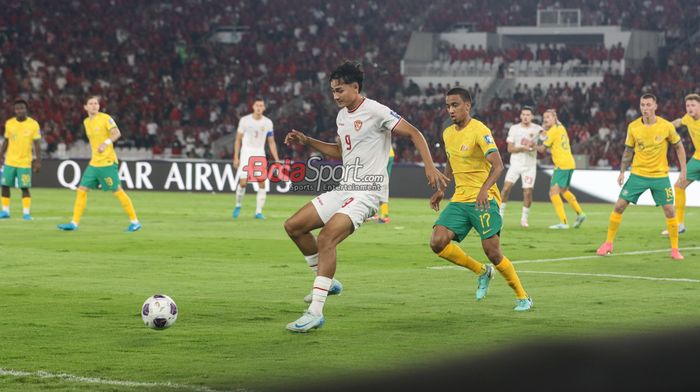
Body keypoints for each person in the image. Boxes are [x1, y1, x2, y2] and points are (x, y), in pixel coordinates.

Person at [282, 61, 448, 332]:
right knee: (294, 226)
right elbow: (340, 152)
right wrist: (307, 141)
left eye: (340, 90)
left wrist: (430, 166)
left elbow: (415, 133)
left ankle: (315, 312)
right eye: (333, 91)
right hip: (345, 187)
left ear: (355, 88)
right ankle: (326, 280)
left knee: (326, 238)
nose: (335, 96)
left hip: (368, 192)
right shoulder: (342, 116)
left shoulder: (376, 110)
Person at [429, 87, 532, 312]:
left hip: (483, 200)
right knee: (437, 241)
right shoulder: (447, 133)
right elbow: (450, 161)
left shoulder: (479, 130)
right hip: (460, 199)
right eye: (447, 106)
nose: (450, 110)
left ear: (467, 105)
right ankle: (482, 272)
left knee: (493, 252)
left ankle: (523, 296)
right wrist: (442, 188)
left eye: (455, 105)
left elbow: (498, 165)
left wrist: (485, 189)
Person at [597, 94, 686, 260]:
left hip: (660, 176)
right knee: (619, 206)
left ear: (655, 106)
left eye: (648, 105)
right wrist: (622, 171)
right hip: (638, 174)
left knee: (669, 210)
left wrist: (683, 171)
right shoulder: (633, 127)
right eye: (642, 105)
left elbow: (679, 147)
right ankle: (608, 243)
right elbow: (628, 151)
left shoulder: (666, 126)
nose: (645, 108)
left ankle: (675, 249)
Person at [57, 96, 141, 232]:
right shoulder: (86, 122)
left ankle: (135, 221)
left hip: (107, 162)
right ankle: (74, 223)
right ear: (85, 107)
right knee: (81, 190)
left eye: (96, 103)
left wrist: (105, 143)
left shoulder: (105, 118)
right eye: (91, 103)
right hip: (94, 163)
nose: (94, 106)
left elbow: (116, 133)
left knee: (117, 191)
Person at [535, 109, 586, 229]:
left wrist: (532, 145)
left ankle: (563, 222)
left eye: (548, 117)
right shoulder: (561, 127)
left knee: (553, 193)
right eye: (544, 117)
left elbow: (542, 149)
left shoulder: (552, 131)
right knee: (563, 191)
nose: (545, 119)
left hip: (561, 165)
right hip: (569, 163)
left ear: (554, 118)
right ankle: (580, 213)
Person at [232, 98, 279, 219]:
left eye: (261, 106)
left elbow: (271, 142)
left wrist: (277, 159)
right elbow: (238, 139)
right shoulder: (245, 121)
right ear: (253, 106)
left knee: (262, 182)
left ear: (264, 108)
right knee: (243, 183)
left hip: (259, 153)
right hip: (246, 153)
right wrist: (236, 157)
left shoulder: (268, 123)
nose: (259, 108)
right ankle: (238, 205)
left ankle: (258, 212)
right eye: (257, 105)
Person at [661, 93, 700, 236]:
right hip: (697, 159)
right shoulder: (688, 118)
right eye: (688, 105)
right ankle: (679, 225)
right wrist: (664, 126)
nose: (690, 108)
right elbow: (678, 122)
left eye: (693, 105)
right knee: (679, 186)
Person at [500, 106, 542, 228]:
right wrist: (523, 148)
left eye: (528, 114)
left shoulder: (537, 129)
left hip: (530, 166)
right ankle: (500, 216)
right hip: (515, 165)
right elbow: (510, 148)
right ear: (520, 116)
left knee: (528, 192)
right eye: (523, 114)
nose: (525, 117)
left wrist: (535, 146)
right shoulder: (514, 129)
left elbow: (544, 147)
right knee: (506, 188)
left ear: (532, 116)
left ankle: (524, 219)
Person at [0, 99, 42, 220]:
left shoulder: (33, 124)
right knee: (5, 185)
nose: (20, 110)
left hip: (25, 162)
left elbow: (37, 145)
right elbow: (6, 141)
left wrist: (38, 161)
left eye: (22, 108)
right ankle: (5, 211)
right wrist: (0, 155)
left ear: (26, 109)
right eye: (17, 108)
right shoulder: (9, 123)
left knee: (24, 187)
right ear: (14, 110)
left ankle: (26, 213)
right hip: (10, 161)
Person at [367, 146, 394, 223]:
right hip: (389, 153)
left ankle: (374, 214)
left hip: (383, 155)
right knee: (382, 185)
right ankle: (382, 215)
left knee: (375, 185)